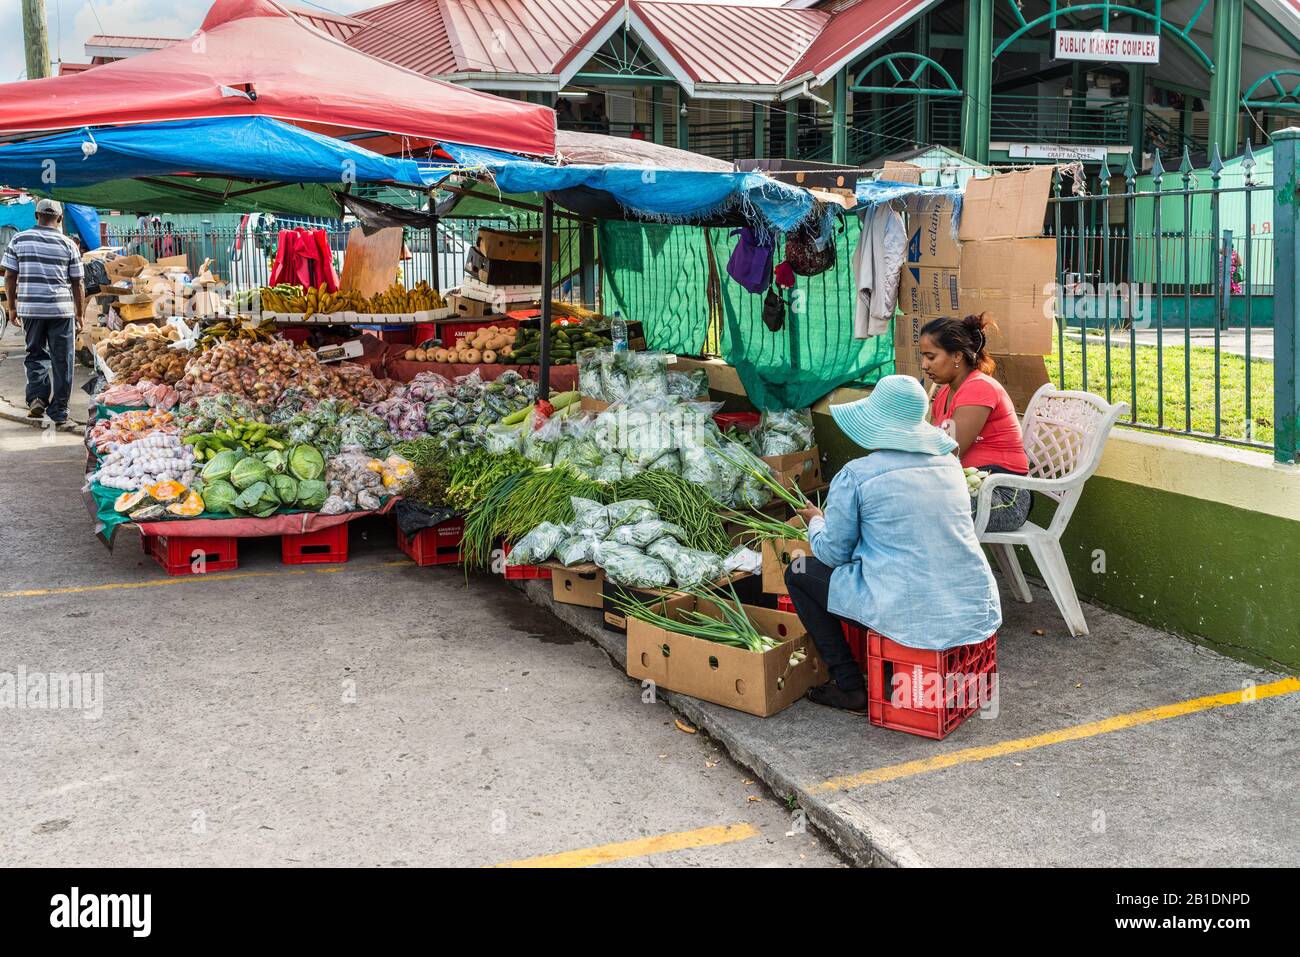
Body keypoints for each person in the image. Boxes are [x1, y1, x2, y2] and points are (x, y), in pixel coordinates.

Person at [785, 375, 1001, 713]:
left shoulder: (857, 475)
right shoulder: (949, 465)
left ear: (875, 423)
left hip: (908, 611)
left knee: (798, 572)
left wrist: (816, 520)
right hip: (971, 605)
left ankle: (849, 685)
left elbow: (832, 553)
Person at [919, 313, 1032, 533]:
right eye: (923, 356)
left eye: (931, 357)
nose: (924, 365)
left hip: (1005, 496)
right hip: (968, 488)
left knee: (915, 509)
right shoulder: (944, 393)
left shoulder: (979, 388)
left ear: (957, 356)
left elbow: (948, 452)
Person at [1, 198, 85, 425]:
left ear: (36, 216)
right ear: (59, 219)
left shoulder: (19, 239)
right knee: (63, 360)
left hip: (31, 309)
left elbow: (9, 275)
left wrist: (11, 308)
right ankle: (59, 411)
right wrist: (80, 314)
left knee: (35, 354)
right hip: (61, 310)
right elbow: (78, 282)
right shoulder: (68, 244)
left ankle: (37, 398)